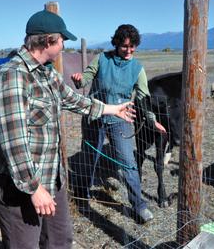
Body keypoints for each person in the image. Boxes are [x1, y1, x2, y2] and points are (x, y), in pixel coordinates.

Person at [0, 10, 136, 249]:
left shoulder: (47, 73)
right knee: (24, 245)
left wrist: (112, 109)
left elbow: (74, 100)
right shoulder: (14, 77)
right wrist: (34, 189)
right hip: (21, 185)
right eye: (62, 41)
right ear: (48, 41)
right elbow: (13, 141)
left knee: (60, 240)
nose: (64, 47)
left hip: (51, 177)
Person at [71, 24, 166, 224]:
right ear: (116, 44)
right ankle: (82, 196)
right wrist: (79, 80)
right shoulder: (102, 59)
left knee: (128, 163)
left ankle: (139, 205)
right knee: (89, 158)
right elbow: (86, 77)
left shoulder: (137, 68)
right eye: (125, 46)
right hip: (94, 117)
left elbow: (143, 97)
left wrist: (152, 120)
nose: (129, 51)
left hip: (120, 120)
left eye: (133, 47)